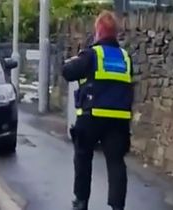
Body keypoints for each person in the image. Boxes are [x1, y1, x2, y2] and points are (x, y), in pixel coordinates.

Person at [62, 10, 134, 210]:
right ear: (115, 33)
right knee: (116, 163)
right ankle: (117, 207)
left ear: (99, 32)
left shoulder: (92, 54)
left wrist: (70, 61)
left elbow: (68, 72)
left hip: (92, 117)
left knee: (84, 157)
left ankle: (81, 201)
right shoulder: (126, 58)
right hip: (119, 120)